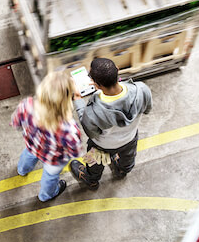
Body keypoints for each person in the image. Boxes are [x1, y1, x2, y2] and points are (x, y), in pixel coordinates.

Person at [70, 57, 152, 190]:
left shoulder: (93, 111)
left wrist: (78, 99)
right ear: (117, 71)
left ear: (95, 84)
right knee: (128, 156)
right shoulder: (141, 90)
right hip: (130, 138)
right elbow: (147, 109)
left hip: (103, 145)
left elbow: (91, 133)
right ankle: (123, 169)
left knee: (94, 159)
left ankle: (91, 179)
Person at [12, 71, 81, 201]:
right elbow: (74, 152)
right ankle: (46, 195)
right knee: (50, 176)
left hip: (32, 144)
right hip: (53, 159)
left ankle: (22, 170)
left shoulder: (26, 105)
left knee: (28, 155)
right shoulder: (69, 129)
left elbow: (16, 124)